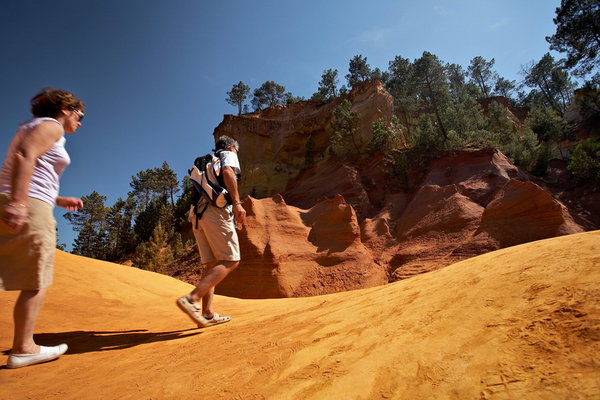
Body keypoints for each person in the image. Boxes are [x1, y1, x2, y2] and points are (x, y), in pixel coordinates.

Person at [0, 88, 84, 368]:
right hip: (29, 204)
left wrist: (58, 199)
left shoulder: (30, 125)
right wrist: (19, 203)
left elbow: (28, 164)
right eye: (79, 115)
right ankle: (24, 348)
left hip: (21, 198)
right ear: (64, 109)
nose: (80, 122)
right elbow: (26, 155)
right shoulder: (51, 125)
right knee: (36, 279)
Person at [176, 135, 246, 328]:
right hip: (215, 211)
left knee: (211, 264)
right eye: (236, 151)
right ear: (232, 147)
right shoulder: (227, 154)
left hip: (196, 215)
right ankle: (192, 299)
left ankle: (207, 313)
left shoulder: (204, 161)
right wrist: (238, 203)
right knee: (231, 259)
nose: (236, 154)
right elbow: (227, 171)